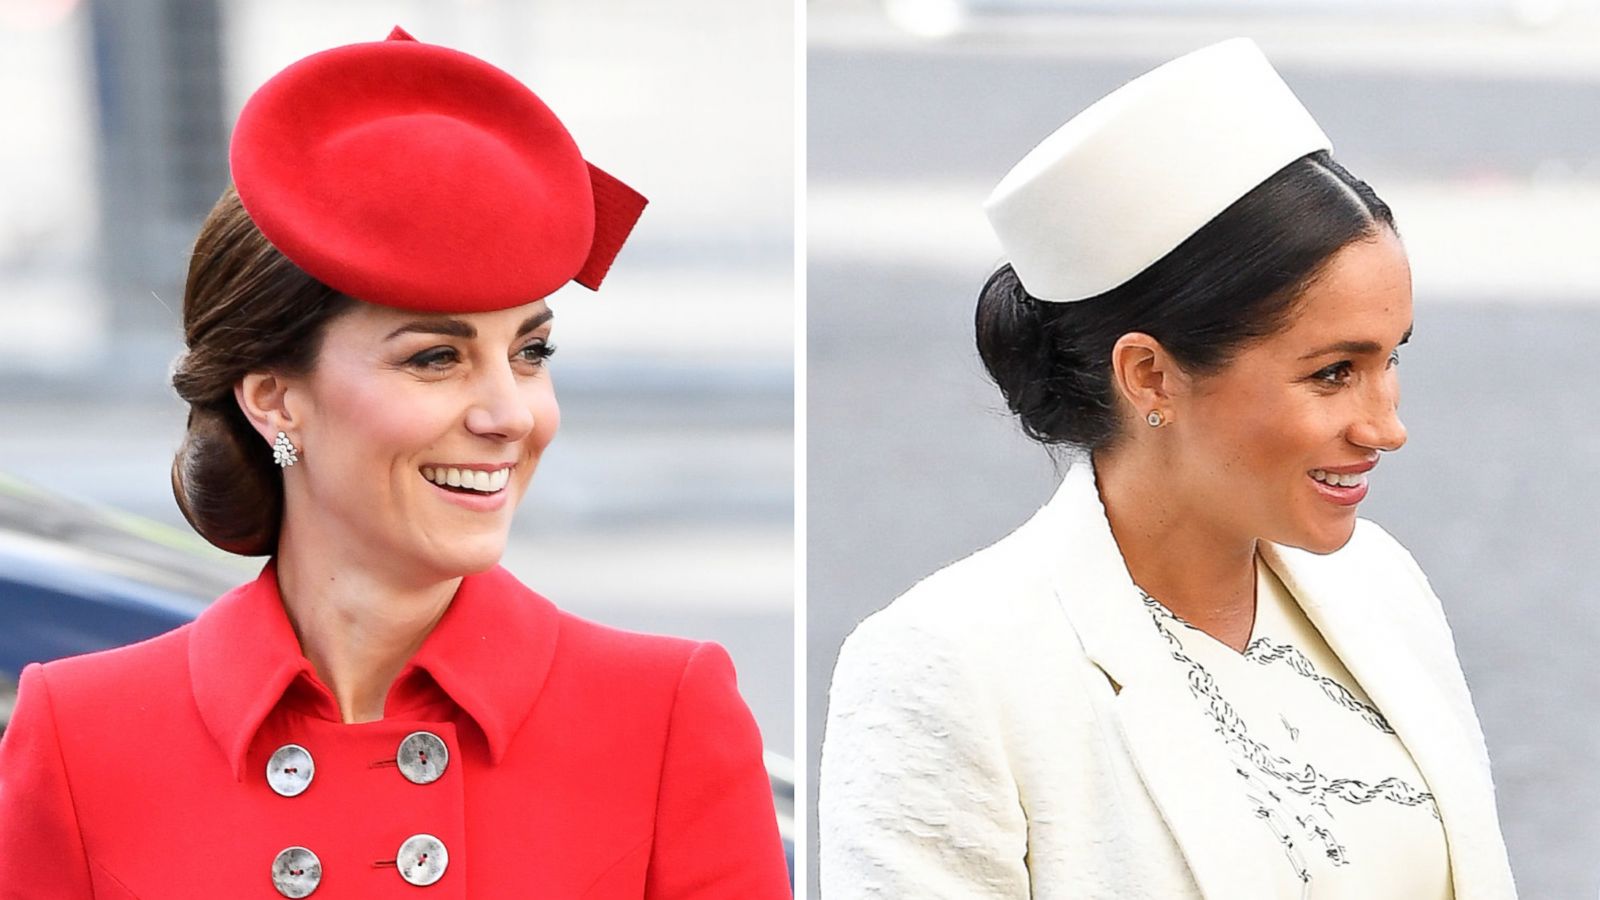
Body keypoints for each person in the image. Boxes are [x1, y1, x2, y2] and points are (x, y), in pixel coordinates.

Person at [0, 27, 789, 899]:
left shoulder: (665, 715)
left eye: (530, 354)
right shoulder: (80, 735)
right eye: (434, 359)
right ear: (273, 398)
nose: (509, 416)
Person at [819, 39, 1515, 899]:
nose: (1387, 425)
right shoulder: (949, 668)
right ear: (1149, 374)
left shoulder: (1383, 587)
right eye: (1333, 372)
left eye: (1390, 359)